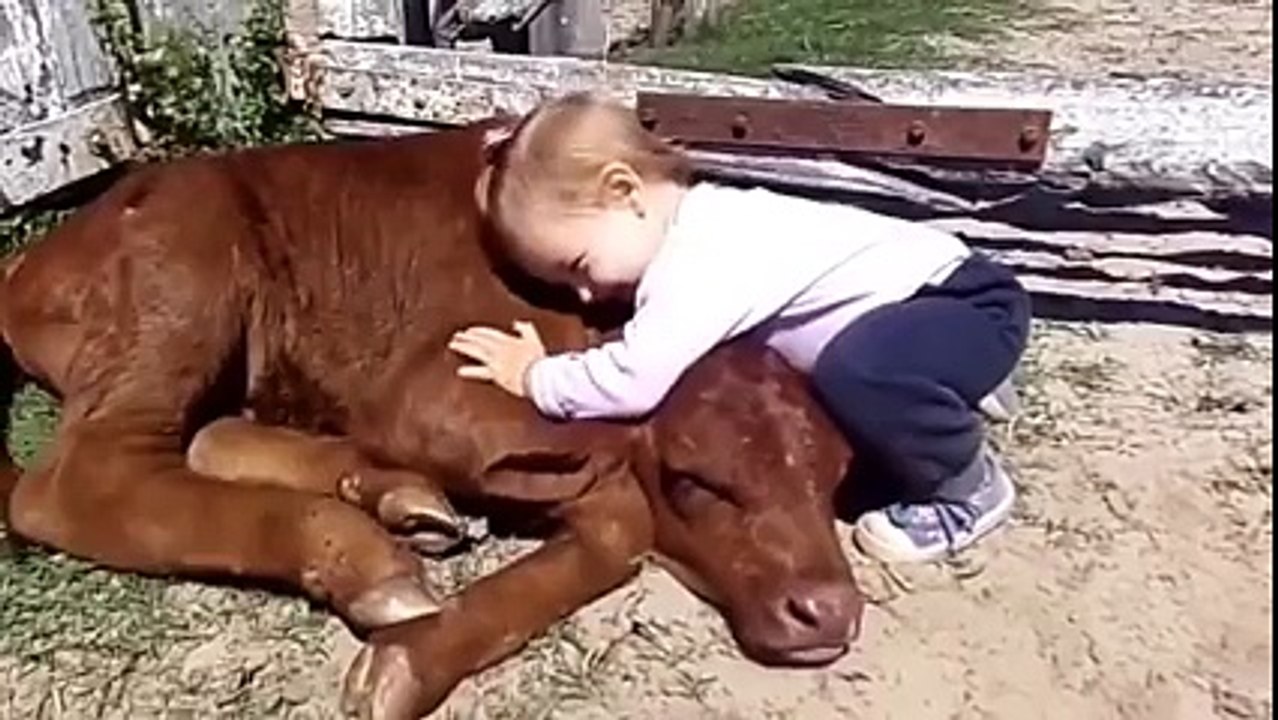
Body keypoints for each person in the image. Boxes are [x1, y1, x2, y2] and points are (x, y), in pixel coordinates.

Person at [448, 92, 1032, 564]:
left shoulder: (697, 264)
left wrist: (537, 377)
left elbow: (633, 380)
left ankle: (966, 488)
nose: (583, 294)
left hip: (965, 305)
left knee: (861, 372)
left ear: (624, 193)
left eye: (578, 267)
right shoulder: (704, 223)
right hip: (933, 301)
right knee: (859, 363)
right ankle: (951, 379)